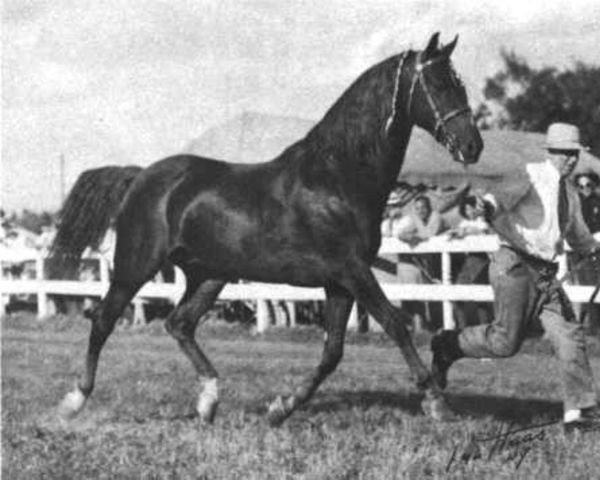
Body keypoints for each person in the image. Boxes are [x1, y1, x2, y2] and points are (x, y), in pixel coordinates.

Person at [431, 123, 600, 431]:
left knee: (569, 335)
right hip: (516, 267)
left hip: (548, 276)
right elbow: (499, 198)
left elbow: (579, 236)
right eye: (565, 153)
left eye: (574, 153)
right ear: (551, 153)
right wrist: (487, 206)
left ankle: (580, 412)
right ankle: (448, 345)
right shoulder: (530, 174)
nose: (571, 159)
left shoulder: (571, 195)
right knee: (504, 343)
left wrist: (594, 250)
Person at [396, 195, 449, 330]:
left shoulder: (436, 216)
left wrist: (416, 236)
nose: (421, 211)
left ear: (429, 208)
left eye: (423, 208)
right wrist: (408, 236)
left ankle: (443, 326)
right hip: (429, 259)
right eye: (417, 208)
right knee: (427, 291)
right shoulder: (416, 219)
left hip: (446, 259)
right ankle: (429, 328)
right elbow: (401, 233)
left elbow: (430, 234)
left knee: (440, 292)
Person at [449, 195, 492, 328]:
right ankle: (462, 326)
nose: (470, 212)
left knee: (480, 295)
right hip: (468, 259)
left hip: (481, 258)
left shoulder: (482, 220)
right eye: (467, 209)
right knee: (460, 293)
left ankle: (484, 327)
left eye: (472, 208)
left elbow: (483, 230)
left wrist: (466, 232)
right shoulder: (464, 223)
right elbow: (457, 233)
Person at [570, 171, 600, 332]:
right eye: (581, 186)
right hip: (581, 251)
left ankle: (592, 323)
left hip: (597, 249)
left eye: (588, 185)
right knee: (583, 285)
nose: (585, 189)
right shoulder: (576, 204)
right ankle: (587, 323)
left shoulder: (598, 203)